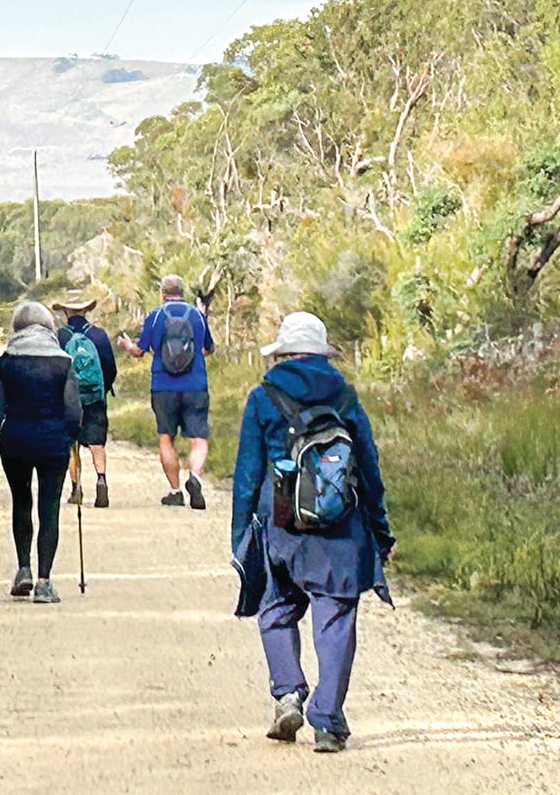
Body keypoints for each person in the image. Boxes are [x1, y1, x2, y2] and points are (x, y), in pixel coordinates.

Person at [230, 311, 394, 754]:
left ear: (283, 352)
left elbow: (247, 474)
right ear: (322, 353)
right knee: (336, 618)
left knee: (276, 607)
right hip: (340, 527)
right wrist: (380, 528)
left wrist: (241, 536)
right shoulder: (345, 396)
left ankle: (287, 693)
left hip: (282, 522)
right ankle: (327, 721)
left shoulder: (264, 396)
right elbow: (369, 466)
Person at [0, 300, 82, 603]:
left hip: (15, 443)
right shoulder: (63, 362)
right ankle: (43, 582)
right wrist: (71, 439)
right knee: (48, 509)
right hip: (53, 444)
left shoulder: (7, 361)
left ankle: (23, 568)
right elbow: (73, 412)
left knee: (21, 502)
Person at [118, 273, 215, 508]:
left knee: (166, 438)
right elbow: (209, 348)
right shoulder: (197, 315)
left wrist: (126, 345)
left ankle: (175, 491)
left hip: (163, 386)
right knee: (198, 438)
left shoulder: (155, 315)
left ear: (162, 293)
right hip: (195, 385)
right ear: (183, 292)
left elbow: (139, 350)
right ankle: (195, 478)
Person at [53, 294, 117, 508]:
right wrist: (102, 391)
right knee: (97, 443)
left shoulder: (60, 336)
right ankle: (101, 482)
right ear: (86, 311)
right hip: (96, 399)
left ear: (65, 312)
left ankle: (76, 488)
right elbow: (110, 368)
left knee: (73, 446)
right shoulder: (98, 335)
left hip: (69, 400)